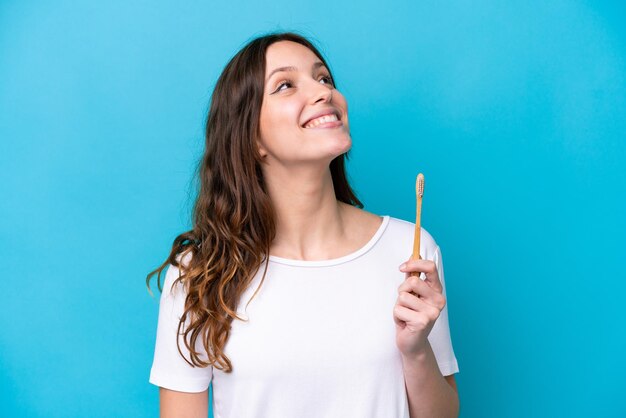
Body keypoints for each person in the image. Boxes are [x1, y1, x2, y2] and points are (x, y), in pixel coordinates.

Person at [146, 31, 460, 418]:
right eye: (285, 85)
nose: (323, 92)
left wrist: (416, 351)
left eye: (324, 78)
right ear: (252, 138)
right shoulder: (201, 272)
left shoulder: (409, 250)